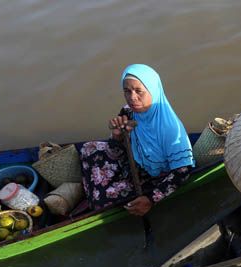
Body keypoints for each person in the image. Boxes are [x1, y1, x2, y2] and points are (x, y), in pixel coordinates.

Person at [79, 64, 194, 216]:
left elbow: (183, 171)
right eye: (127, 91)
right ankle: (101, 186)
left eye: (139, 91)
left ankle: (95, 191)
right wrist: (117, 136)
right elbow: (119, 145)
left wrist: (150, 199)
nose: (132, 97)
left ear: (153, 90)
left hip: (153, 177)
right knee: (87, 148)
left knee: (101, 200)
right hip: (133, 162)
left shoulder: (170, 128)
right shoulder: (129, 111)